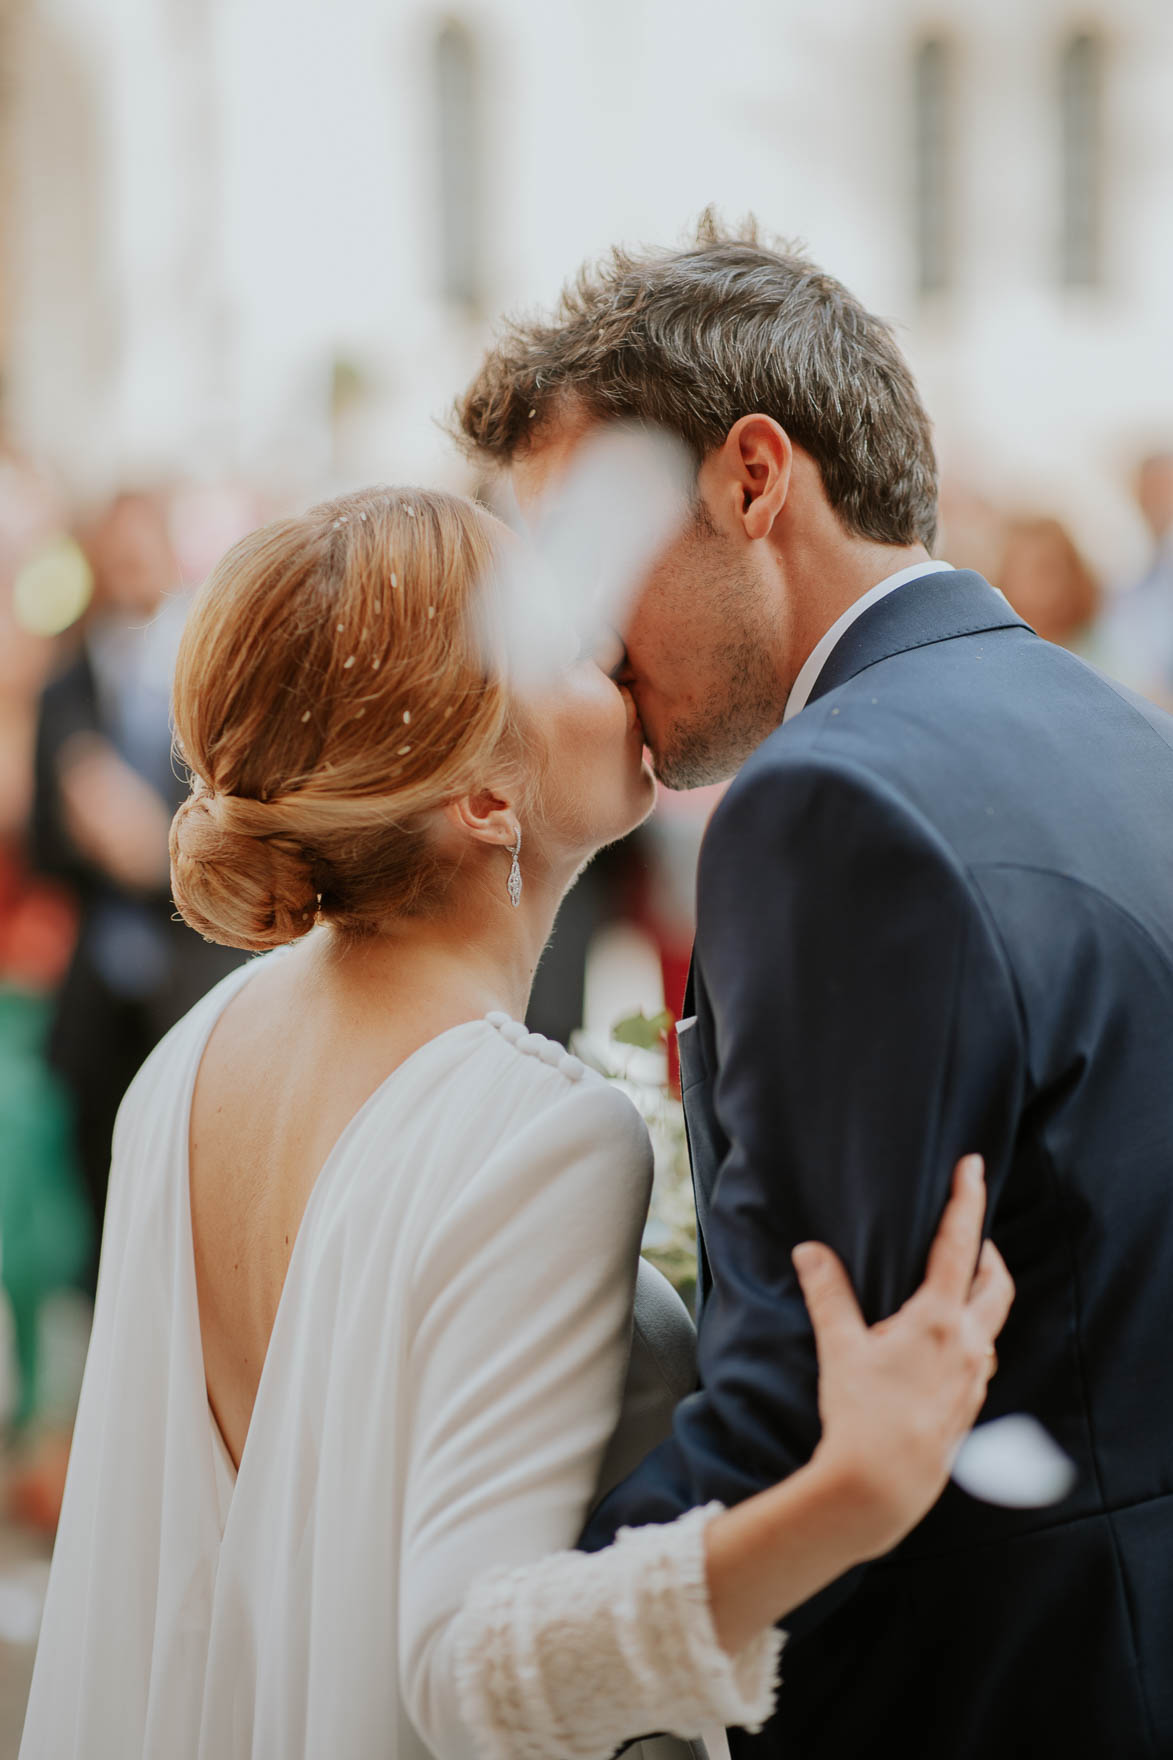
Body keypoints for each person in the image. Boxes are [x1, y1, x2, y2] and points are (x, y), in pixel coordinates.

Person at [20, 487, 1012, 1760]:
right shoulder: (529, 1131)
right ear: (486, 795)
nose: (615, 644)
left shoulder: (192, 1057)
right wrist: (848, 1494)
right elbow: (464, 1673)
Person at [455, 214, 1173, 1759]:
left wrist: (494, 1621)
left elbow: (795, 1408)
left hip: (972, 1691)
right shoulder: (1116, 732)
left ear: (754, 477)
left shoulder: (828, 803)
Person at [30, 490, 245, 1273]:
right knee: (101, 1200)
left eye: (139, 555)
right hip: (95, 991)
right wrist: (84, 833)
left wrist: (152, 851)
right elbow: (45, 855)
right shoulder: (66, 686)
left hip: (193, 980)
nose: (126, 574)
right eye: (112, 559)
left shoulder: (217, 676)